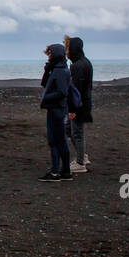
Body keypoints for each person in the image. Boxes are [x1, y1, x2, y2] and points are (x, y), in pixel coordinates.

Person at [37, 43, 74, 182]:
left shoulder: (60, 71)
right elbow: (44, 84)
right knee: (61, 140)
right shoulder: (59, 69)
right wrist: (47, 70)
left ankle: (55, 172)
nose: (49, 56)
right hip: (57, 108)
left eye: (50, 53)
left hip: (56, 109)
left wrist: (46, 98)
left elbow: (62, 92)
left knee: (54, 141)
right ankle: (65, 171)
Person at [64, 35, 93, 172]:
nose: (66, 51)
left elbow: (75, 90)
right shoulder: (84, 62)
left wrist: (72, 109)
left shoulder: (78, 66)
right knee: (69, 129)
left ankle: (81, 162)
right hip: (82, 104)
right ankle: (82, 156)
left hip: (78, 106)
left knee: (76, 132)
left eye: (67, 48)